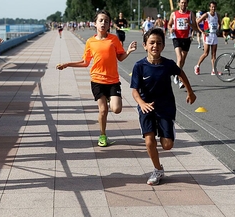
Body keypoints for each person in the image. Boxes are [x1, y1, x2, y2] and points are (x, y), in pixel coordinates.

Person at [56, 10, 137, 147]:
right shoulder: (90, 42)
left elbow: (120, 58)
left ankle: (110, 99)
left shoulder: (114, 39)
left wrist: (128, 51)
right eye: (100, 20)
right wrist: (67, 64)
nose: (103, 23)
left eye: (106, 21)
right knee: (103, 110)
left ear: (109, 24)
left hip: (113, 81)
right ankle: (102, 135)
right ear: (95, 24)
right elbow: (85, 62)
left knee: (116, 109)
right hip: (97, 80)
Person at [130, 28, 196, 185]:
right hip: (146, 107)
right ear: (145, 45)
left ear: (163, 46)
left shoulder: (168, 64)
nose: (155, 46)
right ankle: (158, 169)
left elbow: (181, 73)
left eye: (159, 43)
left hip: (165, 107)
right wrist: (141, 103)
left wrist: (190, 91)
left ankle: (167, 129)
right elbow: (134, 91)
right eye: (151, 43)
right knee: (149, 141)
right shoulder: (139, 66)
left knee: (167, 145)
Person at [168, 0, 198, 89]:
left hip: (186, 38)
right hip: (177, 38)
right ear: (179, 4)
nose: (183, 4)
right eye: (182, 2)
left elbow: (196, 28)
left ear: (187, 4)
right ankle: (180, 79)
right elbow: (169, 24)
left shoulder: (190, 14)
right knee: (179, 58)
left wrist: (189, 23)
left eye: (185, 3)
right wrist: (170, 29)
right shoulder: (174, 14)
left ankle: (176, 74)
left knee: (183, 60)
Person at [194, 1, 220, 75]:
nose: (213, 8)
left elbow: (219, 23)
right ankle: (197, 66)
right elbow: (197, 22)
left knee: (214, 54)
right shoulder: (206, 15)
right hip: (208, 36)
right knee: (206, 53)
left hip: (214, 35)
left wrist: (218, 30)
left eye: (214, 7)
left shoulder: (217, 15)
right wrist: (202, 32)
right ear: (209, 7)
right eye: (212, 7)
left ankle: (213, 70)